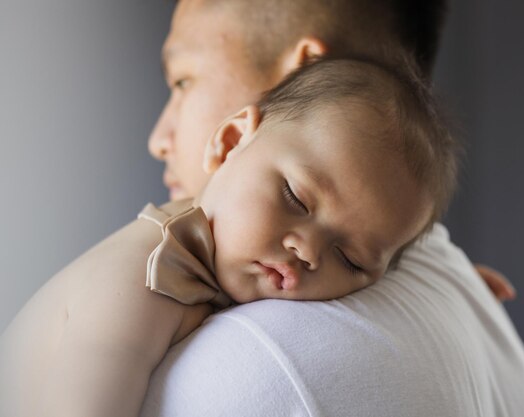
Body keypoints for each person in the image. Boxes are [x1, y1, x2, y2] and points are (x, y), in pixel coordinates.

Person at [138, 1, 524, 416]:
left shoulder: (255, 363)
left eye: (183, 81)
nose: (159, 138)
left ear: (303, 73)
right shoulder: (445, 281)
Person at [0, 57, 458, 417]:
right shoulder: (148, 273)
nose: (309, 251)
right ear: (231, 140)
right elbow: (79, 402)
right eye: (295, 199)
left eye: (351, 259)